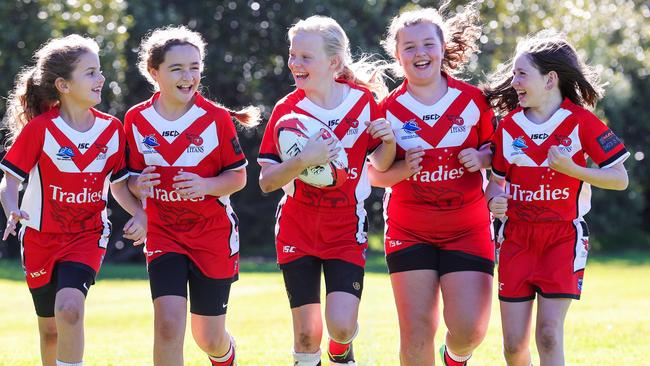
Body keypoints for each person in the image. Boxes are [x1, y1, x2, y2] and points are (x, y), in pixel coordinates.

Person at [483, 30, 629, 366]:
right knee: (513, 346)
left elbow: (620, 179)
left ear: (550, 79)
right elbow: (495, 183)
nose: (513, 81)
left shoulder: (581, 122)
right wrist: (495, 201)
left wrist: (572, 169)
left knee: (548, 335)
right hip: (516, 239)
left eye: (521, 74)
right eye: (513, 73)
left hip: (562, 238)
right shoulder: (508, 127)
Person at [257, 15, 395, 366]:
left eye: (305, 56)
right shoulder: (286, 111)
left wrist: (390, 141)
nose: (294, 63)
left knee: (342, 326)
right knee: (305, 335)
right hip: (297, 226)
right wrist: (304, 160)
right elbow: (266, 181)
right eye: (292, 54)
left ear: (333, 62)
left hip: (345, 228)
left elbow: (381, 163)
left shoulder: (364, 103)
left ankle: (341, 349)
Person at [0, 35, 146, 366]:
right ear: (64, 85)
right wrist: (12, 209)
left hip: (86, 236)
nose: (101, 79)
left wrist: (141, 214)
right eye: (91, 72)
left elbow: (119, 186)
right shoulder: (40, 130)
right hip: (39, 238)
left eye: (100, 71)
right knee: (50, 329)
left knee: (69, 309)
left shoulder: (112, 130)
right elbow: (9, 181)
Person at [367, 4, 495, 366]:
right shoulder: (386, 109)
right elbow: (375, 174)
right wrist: (404, 169)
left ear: (442, 47)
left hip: (468, 229)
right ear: (396, 54)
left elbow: (498, 153)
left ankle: (455, 357)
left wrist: (482, 159)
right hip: (410, 230)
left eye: (427, 44)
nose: (419, 53)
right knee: (416, 333)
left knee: (470, 329)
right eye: (409, 47)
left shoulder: (474, 100)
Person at [124, 26, 259, 366]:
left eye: (195, 67)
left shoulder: (215, 118)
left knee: (209, 338)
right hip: (164, 234)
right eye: (177, 68)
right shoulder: (136, 119)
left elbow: (239, 176)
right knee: (168, 325)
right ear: (153, 72)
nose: (189, 76)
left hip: (211, 236)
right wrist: (140, 187)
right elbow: (129, 180)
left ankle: (224, 355)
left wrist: (207, 186)